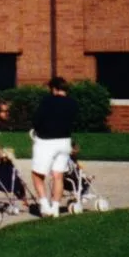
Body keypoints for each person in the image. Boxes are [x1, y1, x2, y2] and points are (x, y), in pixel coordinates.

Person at [30, 77, 79, 216]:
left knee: (37, 174)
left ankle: (45, 205)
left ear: (54, 89)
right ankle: (56, 208)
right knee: (58, 175)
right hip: (64, 141)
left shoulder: (47, 101)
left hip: (46, 141)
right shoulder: (73, 103)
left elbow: (36, 120)